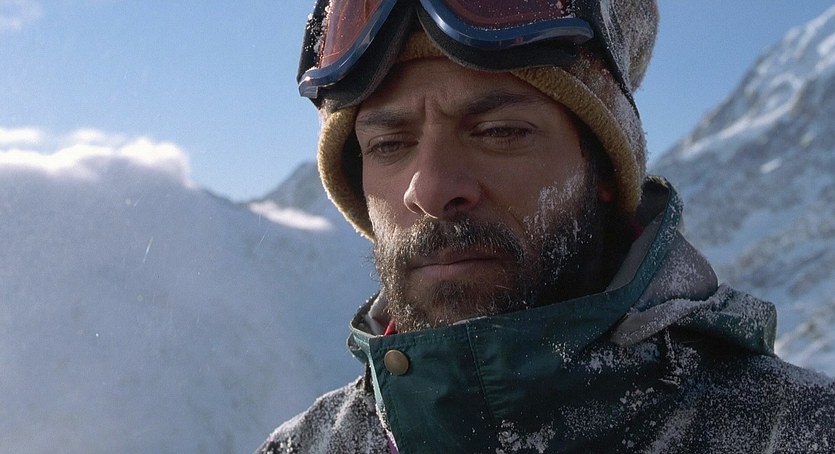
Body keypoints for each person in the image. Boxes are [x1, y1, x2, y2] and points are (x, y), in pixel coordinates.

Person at [257, 1, 835, 452]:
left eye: (500, 132)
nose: (428, 189)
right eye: (388, 145)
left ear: (602, 171)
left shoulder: (798, 433)